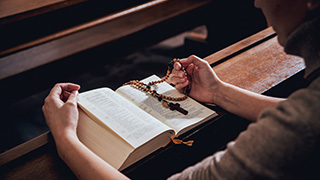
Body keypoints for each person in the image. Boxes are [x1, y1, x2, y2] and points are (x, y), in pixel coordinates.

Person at [42, 0, 320, 179]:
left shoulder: (302, 126)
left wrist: (66, 139)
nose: (257, 2)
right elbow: (300, 113)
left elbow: (303, 122)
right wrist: (219, 93)